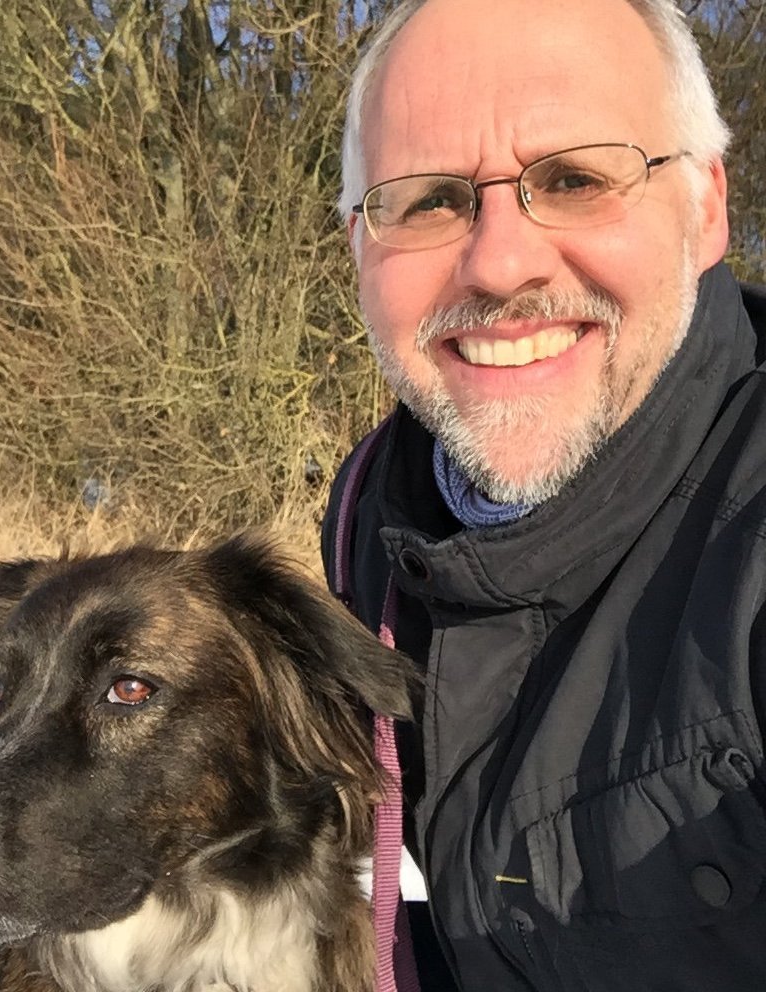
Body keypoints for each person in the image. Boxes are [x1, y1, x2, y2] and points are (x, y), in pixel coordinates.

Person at [321, 1, 766, 989]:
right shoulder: (374, 521)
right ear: (358, 248)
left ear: (706, 208)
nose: (501, 262)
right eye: (428, 199)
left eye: (575, 179)